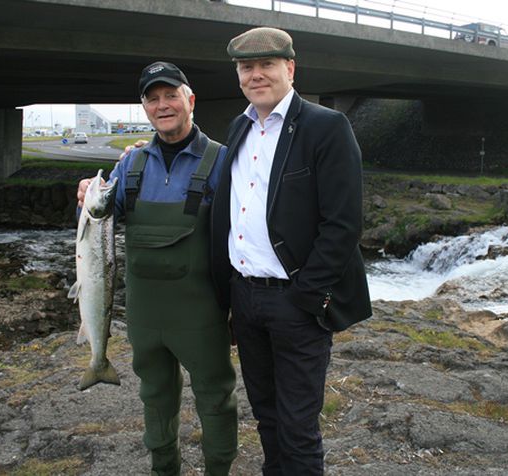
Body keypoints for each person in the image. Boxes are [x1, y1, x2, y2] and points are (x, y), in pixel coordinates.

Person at [209, 27, 371, 475]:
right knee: (267, 416)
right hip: (245, 298)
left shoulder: (326, 127)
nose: (256, 74)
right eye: (247, 67)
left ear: (290, 69)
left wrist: (309, 295)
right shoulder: (240, 126)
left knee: (299, 428)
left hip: (296, 300)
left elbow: (343, 224)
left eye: (267, 65)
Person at [77, 61, 237, 476]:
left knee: (216, 399)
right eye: (153, 98)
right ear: (145, 107)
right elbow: (98, 222)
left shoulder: (223, 161)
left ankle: (218, 470)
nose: (163, 105)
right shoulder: (129, 166)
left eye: (171, 95)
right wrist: (85, 193)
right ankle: (163, 469)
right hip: (145, 317)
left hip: (201, 312)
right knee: (155, 397)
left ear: (190, 100)